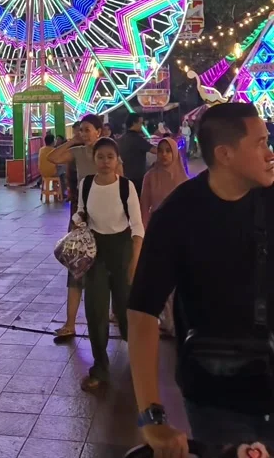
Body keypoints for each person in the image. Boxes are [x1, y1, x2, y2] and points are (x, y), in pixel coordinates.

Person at [128, 102, 274, 453]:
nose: (270, 153)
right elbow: (142, 313)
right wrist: (153, 418)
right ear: (225, 154)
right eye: (260, 143)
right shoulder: (177, 216)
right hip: (217, 396)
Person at [73, 137, 144, 391]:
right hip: (96, 252)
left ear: (117, 160)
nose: (105, 162)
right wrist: (79, 218)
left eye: (110, 157)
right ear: (94, 158)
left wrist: (134, 262)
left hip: (122, 250)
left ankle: (139, 362)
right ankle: (100, 368)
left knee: (126, 310)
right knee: (95, 311)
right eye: (100, 157)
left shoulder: (126, 187)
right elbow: (81, 211)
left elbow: (137, 228)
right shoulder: (86, 184)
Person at [48, 113, 104, 342]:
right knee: (75, 267)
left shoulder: (107, 153)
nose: (84, 134)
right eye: (81, 130)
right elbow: (53, 158)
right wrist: (72, 141)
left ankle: (109, 315)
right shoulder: (78, 153)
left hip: (105, 216)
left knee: (102, 268)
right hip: (81, 216)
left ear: (99, 131)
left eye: (88, 129)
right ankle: (70, 323)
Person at [140, 137, 188, 335]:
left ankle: (178, 321)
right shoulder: (150, 177)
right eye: (161, 151)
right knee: (161, 279)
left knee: (179, 281)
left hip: (179, 234)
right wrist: (142, 234)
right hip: (157, 232)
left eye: (168, 151)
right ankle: (166, 321)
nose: (164, 155)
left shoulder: (183, 179)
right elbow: (144, 207)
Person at [118, 113, 154, 197]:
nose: (141, 126)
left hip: (123, 177)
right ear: (134, 123)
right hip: (137, 179)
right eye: (140, 123)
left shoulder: (121, 139)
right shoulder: (137, 139)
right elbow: (155, 150)